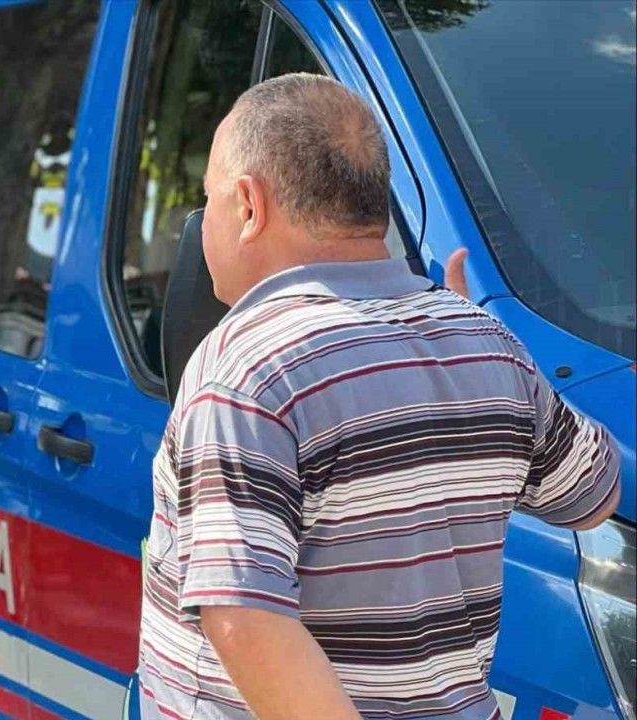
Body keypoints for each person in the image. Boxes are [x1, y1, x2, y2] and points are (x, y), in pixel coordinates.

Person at [137, 73, 619, 720]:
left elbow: (245, 621)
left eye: (208, 199)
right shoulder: (489, 346)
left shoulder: (247, 369)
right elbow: (595, 497)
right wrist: (487, 351)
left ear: (249, 206)